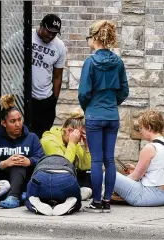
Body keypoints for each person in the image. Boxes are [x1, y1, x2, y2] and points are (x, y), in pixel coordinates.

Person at [78, 20, 129, 213]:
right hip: (112, 115)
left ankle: (96, 201)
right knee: (109, 159)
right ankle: (107, 201)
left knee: (96, 160)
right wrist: (112, 104)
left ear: (95, 38)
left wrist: (88, 107)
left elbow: (83, 92)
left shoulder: (90, 62)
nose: (88, 41)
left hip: (94, 114)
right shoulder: (118, 62)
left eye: (88, 38)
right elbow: (124, 90)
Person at [0, 94, 44, 208]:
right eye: (12, 121)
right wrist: (5, 163)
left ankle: (13, 197)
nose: (18, 124)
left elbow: (41, 159)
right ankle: (21, 196)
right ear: (3, 123)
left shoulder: (32, 138)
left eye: (19, 120)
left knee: (18, 162)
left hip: (24, 178)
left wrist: (29, 161)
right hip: (1, 179)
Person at [113, 110, 164, 207]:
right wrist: (135, 169)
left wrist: (123, 183)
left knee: (107, 175)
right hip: (162, 195)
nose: (140, 132)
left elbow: (135, 177)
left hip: (148, 195)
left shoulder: (150, 148)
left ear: (148, 127)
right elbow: (157, 171)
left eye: (141, 128)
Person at [40, 111, 92, 200]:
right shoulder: (49, 141)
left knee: (90, 176)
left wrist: (87, 147)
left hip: (69, 178)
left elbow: (86, 167)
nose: (80, 140)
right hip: (52, 178)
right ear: (69, 131)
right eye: (80, 135)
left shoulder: (73, 142)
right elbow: (62, 166)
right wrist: (72, 143)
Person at [31, 14, 66, 138]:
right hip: (22, 97)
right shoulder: (25, 35)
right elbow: (6, 55)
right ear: (41, 25)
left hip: (45, 100)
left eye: (54, 33)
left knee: (42, 138)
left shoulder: (60, 46)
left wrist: (53, 100)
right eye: (49, 31)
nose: (50, 36)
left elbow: (58, 76)